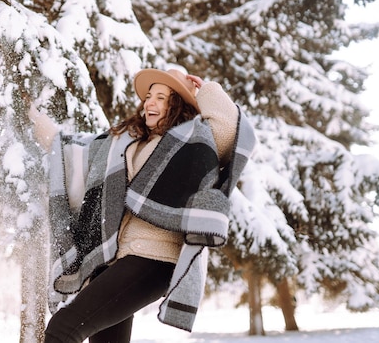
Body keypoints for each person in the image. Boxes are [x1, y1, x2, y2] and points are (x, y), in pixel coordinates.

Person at [29, 67, 256, 343]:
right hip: (117, 259)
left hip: (155, 258)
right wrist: (30, 113)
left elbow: (227, 127)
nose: (150, 102)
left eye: (161, 97)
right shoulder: (126, 144)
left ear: (178, 104)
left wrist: (205, 89)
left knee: (62, 329)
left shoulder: (194, 142)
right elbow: (72, 152)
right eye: (149, 96)